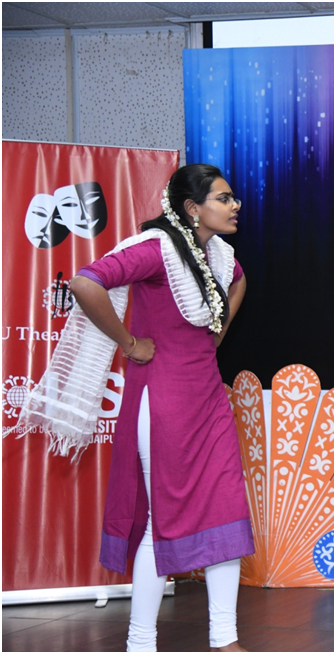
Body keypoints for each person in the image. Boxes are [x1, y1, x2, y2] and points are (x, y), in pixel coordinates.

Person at [18, 164, 253, 652]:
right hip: (162, 400)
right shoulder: (155, 249)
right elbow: (85, 283)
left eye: (232, 198)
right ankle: (140, 643)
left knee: (228, 514)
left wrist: (216, 334)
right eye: (224, 198)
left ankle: (225, 640)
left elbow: (237, 283)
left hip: (208, 400)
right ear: (192, 208)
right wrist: (128, 343)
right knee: (160, 520)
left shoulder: (219, 254)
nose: (235, 206)